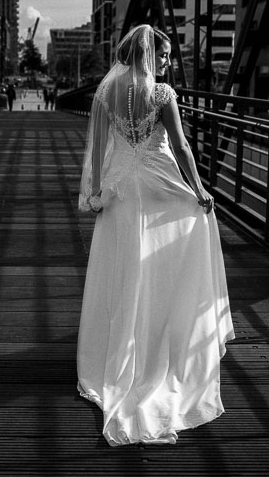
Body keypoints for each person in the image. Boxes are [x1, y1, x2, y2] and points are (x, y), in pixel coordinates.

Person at [76, 24, 233, 446]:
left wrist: (94, 193)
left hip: (122, 188)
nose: (166, 63)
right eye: (163, 56)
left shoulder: (106, 94)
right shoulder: (162, 94)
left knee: (124, 265)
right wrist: (199, 191)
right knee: (172, 251)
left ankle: (123, 346)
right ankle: (163, 336)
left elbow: (97, 149)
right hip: (159, 184)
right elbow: (181, 148)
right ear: (149, 55)